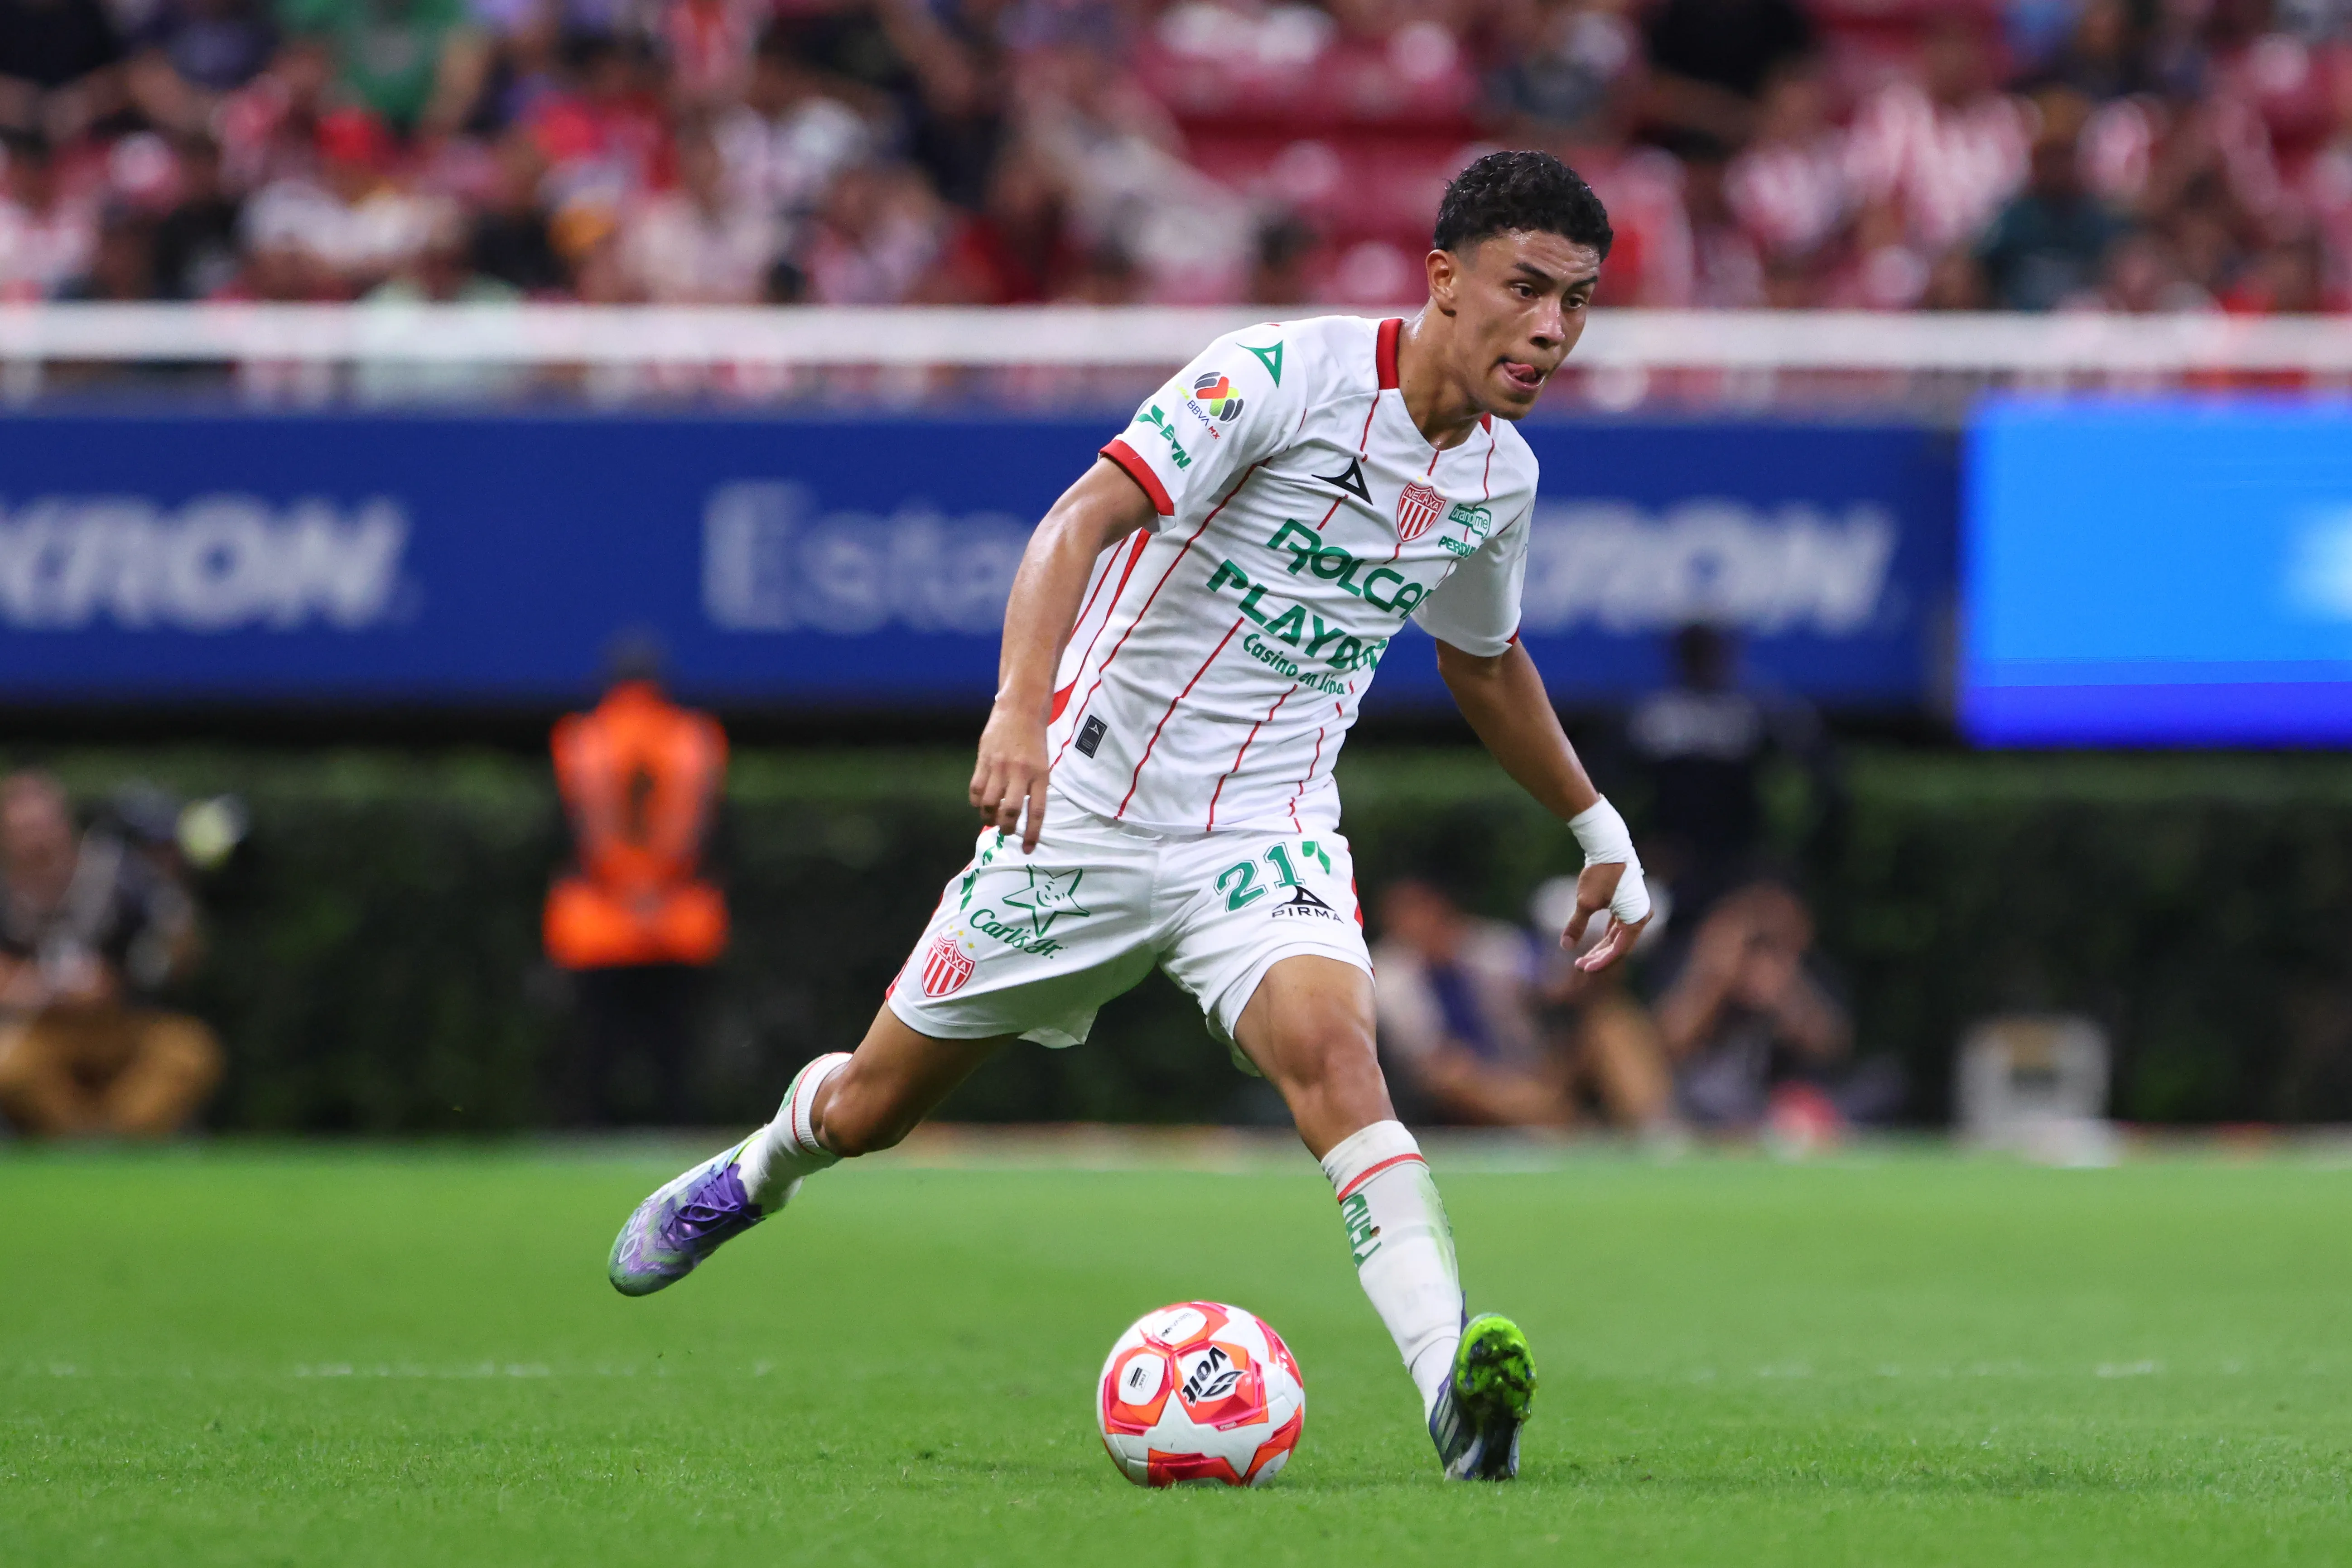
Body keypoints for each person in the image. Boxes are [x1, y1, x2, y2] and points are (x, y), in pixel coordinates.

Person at [607, 150, 1655, 1483]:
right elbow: (1078, 519)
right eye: (1525, 289)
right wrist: (1018, 710)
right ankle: (754, 1170)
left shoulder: (1495, 479)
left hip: (1263, 836)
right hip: (1086, 809)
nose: (1551, 329)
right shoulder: (1276, 377)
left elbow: (1481, 658)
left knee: (1339, 1065)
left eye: (1576, 301)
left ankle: (1451, 1388)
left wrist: (1593, 822)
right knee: (870, 1108)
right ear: (1443, 279)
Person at [544, 642, 729, 1125]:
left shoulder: (582, 737)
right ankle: (679, 1132)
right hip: (681, 918)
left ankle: (585, 1129)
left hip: (596, 922)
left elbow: (574, 829)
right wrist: (655, 895)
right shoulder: (696, 738)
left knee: (593, 1044)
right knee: (675, 1047)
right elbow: (707, 830)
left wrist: (625, 893)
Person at [0, 771, 222, 1138]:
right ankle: (72, 1137)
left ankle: (121, 1135)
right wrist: (51, 990)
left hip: (120, 1024)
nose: (36, 839)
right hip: (40, 1030)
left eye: (43, 825)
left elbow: (175, 958)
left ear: (65, 823)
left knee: (189, 1052)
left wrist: (178, 900)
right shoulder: (6, 896)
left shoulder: (120, 874)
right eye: (23, 829)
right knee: (9, 1063)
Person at [1374, 877, 1673, 1130]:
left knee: (1612, 1022)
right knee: (1452, 1073)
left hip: (1536, 1070)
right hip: (1455, 1091)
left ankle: (1659, 1133)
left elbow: (1561, 986)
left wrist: (1602, 965)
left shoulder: (1494, 947)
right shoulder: (1387, 976)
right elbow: (1426, 1060)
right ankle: (1571, 1131)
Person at [1651, 875, 1893, 1132]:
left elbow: (1834, 1049)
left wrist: (1787, 994)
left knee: (1882, 1081)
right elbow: (1664, 1045)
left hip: (1790, 1097)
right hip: (1713, 1098)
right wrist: (1717, 980)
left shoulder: (1812, 971)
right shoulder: (1698, 966)